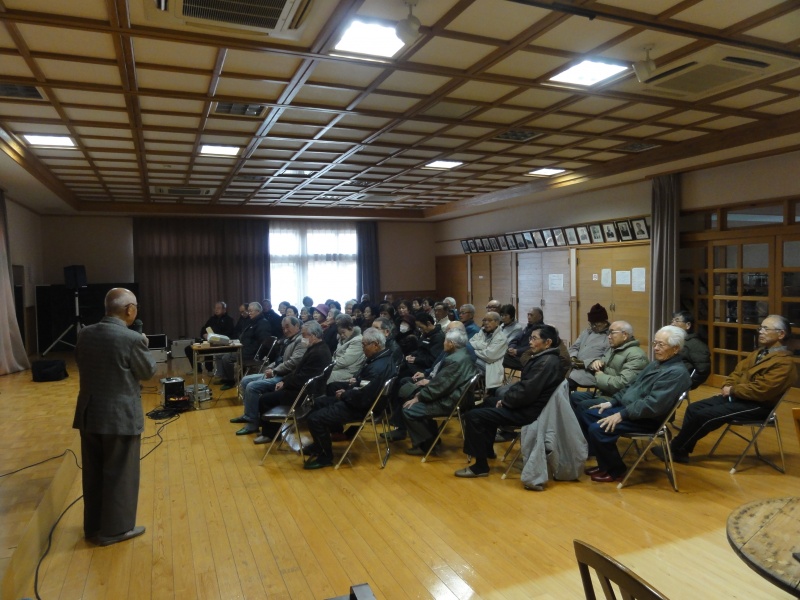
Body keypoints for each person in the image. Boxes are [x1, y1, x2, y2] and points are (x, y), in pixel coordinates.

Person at [73, 288, 156, 546]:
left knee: (93, 473)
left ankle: (94, 526)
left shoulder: (84, 334)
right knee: (121, 474)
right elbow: (147, 372)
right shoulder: (131, 339)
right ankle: (116, 530)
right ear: (129, 309)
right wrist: (143, 344)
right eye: (136, 307)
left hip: (90, 413)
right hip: (119, 416)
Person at [656, 315, 796, 464]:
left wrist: (733, 390)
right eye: (760, 328)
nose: (761, 331)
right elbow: (737, 372)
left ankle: (675, 448)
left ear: (781, 334)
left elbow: (762, 390)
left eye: (766, 329)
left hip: (758, 406)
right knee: (693, 408)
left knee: (705, 415)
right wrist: (727, 386)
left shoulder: (784, 363)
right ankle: (681, 450)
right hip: (739, 397)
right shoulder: (758, 353)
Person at [579, 326, 691, 483]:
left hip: (647, 419)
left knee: (598, 428)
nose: (656, 348)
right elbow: (631, 386)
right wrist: (612, 403)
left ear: (676, 349)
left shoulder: (676, 373)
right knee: (588, 414)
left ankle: (615, 470)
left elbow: (653, 405)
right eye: (655, 343)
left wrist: (621, 414)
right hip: (632, 410)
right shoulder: (656, 364)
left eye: (661, 344)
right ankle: (604, 464)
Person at [456, 324, 566, 478]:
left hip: (529, 412)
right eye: (530, 338)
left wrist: (506, 402)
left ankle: (480, 467)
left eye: (534, 339)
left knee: (473, 416)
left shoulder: (546, 362)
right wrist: (506, 399)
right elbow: (526, 387)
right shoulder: (545, 358)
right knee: (489, 402)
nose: (530, 342)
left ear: (547, 342)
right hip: (528, 405)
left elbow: (527, 391)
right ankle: (487, 451)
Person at [302, 327, 396, 469]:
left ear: (375, 345)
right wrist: (352, 386)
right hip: (363, 401)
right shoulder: (383, 358)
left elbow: (364, 396)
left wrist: (345, 394)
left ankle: (325, 457)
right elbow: (365, 386)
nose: (362, 348)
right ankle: (319, 445)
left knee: (314, 419)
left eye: (364, 345)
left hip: (363, 408)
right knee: (318, 403)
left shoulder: (377, 367)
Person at [254, 321, 332, 444]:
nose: (302, 338)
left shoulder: (318, 353)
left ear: (313, 336)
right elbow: (298, 371)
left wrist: (285, 384)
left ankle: (270, 434)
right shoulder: (317, 348)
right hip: (302, 388)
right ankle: (269, 430)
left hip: (305, 394)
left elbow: (302, 378)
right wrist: (284, 381)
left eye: (304, 335)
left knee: (265, 399)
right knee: (268, 391)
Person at [401, 328, 477, 455]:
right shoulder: (464, 355)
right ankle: (432, 440)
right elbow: (441, 384)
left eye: (445, 341)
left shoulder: (454, 360)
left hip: (450, 401)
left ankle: (427, 445)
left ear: (451, 344)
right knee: (413, 396)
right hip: (458, 397)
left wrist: (419, 397)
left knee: (409, 409)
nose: (443, 343)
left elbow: (439, 387)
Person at [230, 316, 305, 435]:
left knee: (252, 387)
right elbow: (280, 359)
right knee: (245, 380)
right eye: (283, 328)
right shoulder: (288, 340)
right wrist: (270, 367)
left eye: (288, 327)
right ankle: (249, 415)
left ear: (297, 326)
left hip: (285, 377)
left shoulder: (301, 341)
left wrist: (274, 371)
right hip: (278, 372)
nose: (285, 330)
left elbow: (293, 362)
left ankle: (252, 423)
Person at [569, 321, 648, 412]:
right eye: (609, 333)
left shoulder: (636, 355)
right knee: (574, 397)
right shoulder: (613, 349)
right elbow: (603, 364)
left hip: (617, 399)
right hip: (603, 393)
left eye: (612, 333)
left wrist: (600, 376)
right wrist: (595, 362)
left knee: (583, 406)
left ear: (625, 335)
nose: (609, 336)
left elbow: (623, 383)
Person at [216, 302, 270, 389]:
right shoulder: (252, 322)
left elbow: (264, 342)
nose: (249, 313)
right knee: (221, 355)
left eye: (251, 311)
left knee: (226, 358)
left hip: (251, 353)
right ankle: (226, 378)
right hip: (244, 348)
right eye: (248, 311)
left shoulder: (262, 323)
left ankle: (231, 381)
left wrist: (258, 354)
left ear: (258, 311)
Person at [184, 301, 235, 374]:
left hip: (221, 344)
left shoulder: (229, 320)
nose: (216, 310)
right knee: (188, 349)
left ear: (224, 310)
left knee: (208, 348)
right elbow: (204, 329)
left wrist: (215, 336)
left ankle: (209, 369)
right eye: (215, 308)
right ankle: (197, 369)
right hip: (209, 341)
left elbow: (229, 334)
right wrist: (204, 334)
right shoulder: (212, 319)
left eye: (218, 308)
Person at [568, 303, 610, 390]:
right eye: (591, 324)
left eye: (596, 324)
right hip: (574, 367)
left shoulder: (609, 336)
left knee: (566, 385)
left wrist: (585, 364)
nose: (593, 327)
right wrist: (573, 357)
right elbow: (574, 347)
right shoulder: (587, 331)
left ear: (604, 322)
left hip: (591, 372)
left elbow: (606, 359)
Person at [469, 311, 508, 391]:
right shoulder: (482, 331)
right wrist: (484, 346)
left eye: (489, 320)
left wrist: (474, 351)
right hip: (480, 360)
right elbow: (470, 342)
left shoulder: (501, 338)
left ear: (497, 322)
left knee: (466, 359)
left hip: (490, 366)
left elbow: (489, 356)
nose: (486, 323)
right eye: (484, 320)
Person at [670, 310, 711, 388]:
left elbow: (703, 370)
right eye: (672, 321)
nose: (672, 324)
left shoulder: (696, 345)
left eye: (677, 321)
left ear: (688, 325)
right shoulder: (673, 341)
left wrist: (688, 384)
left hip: (676, 383)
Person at [326, 314, 366, 389]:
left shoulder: (358, 340)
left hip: (348, 371)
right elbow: (336, 356)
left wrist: (327, 368)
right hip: (338, 367)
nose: (342, 335)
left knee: (324, 376)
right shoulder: (343, 338)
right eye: (340, 333)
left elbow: (345, 361)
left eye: (343, 332)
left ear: (350, 328)